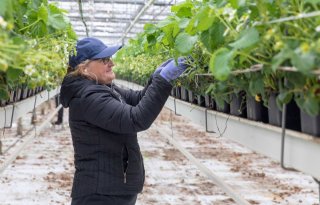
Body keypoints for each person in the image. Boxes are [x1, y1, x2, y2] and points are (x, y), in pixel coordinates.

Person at [59, 37, 189, 205]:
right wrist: (163, 80)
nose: (111, 63)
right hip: (100, 195)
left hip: (112, 188)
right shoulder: (88, 97)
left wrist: (154, 79)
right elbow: (136, 119)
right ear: (84, 69)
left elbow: (137, 99)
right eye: (104, 60)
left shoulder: (102, 87)